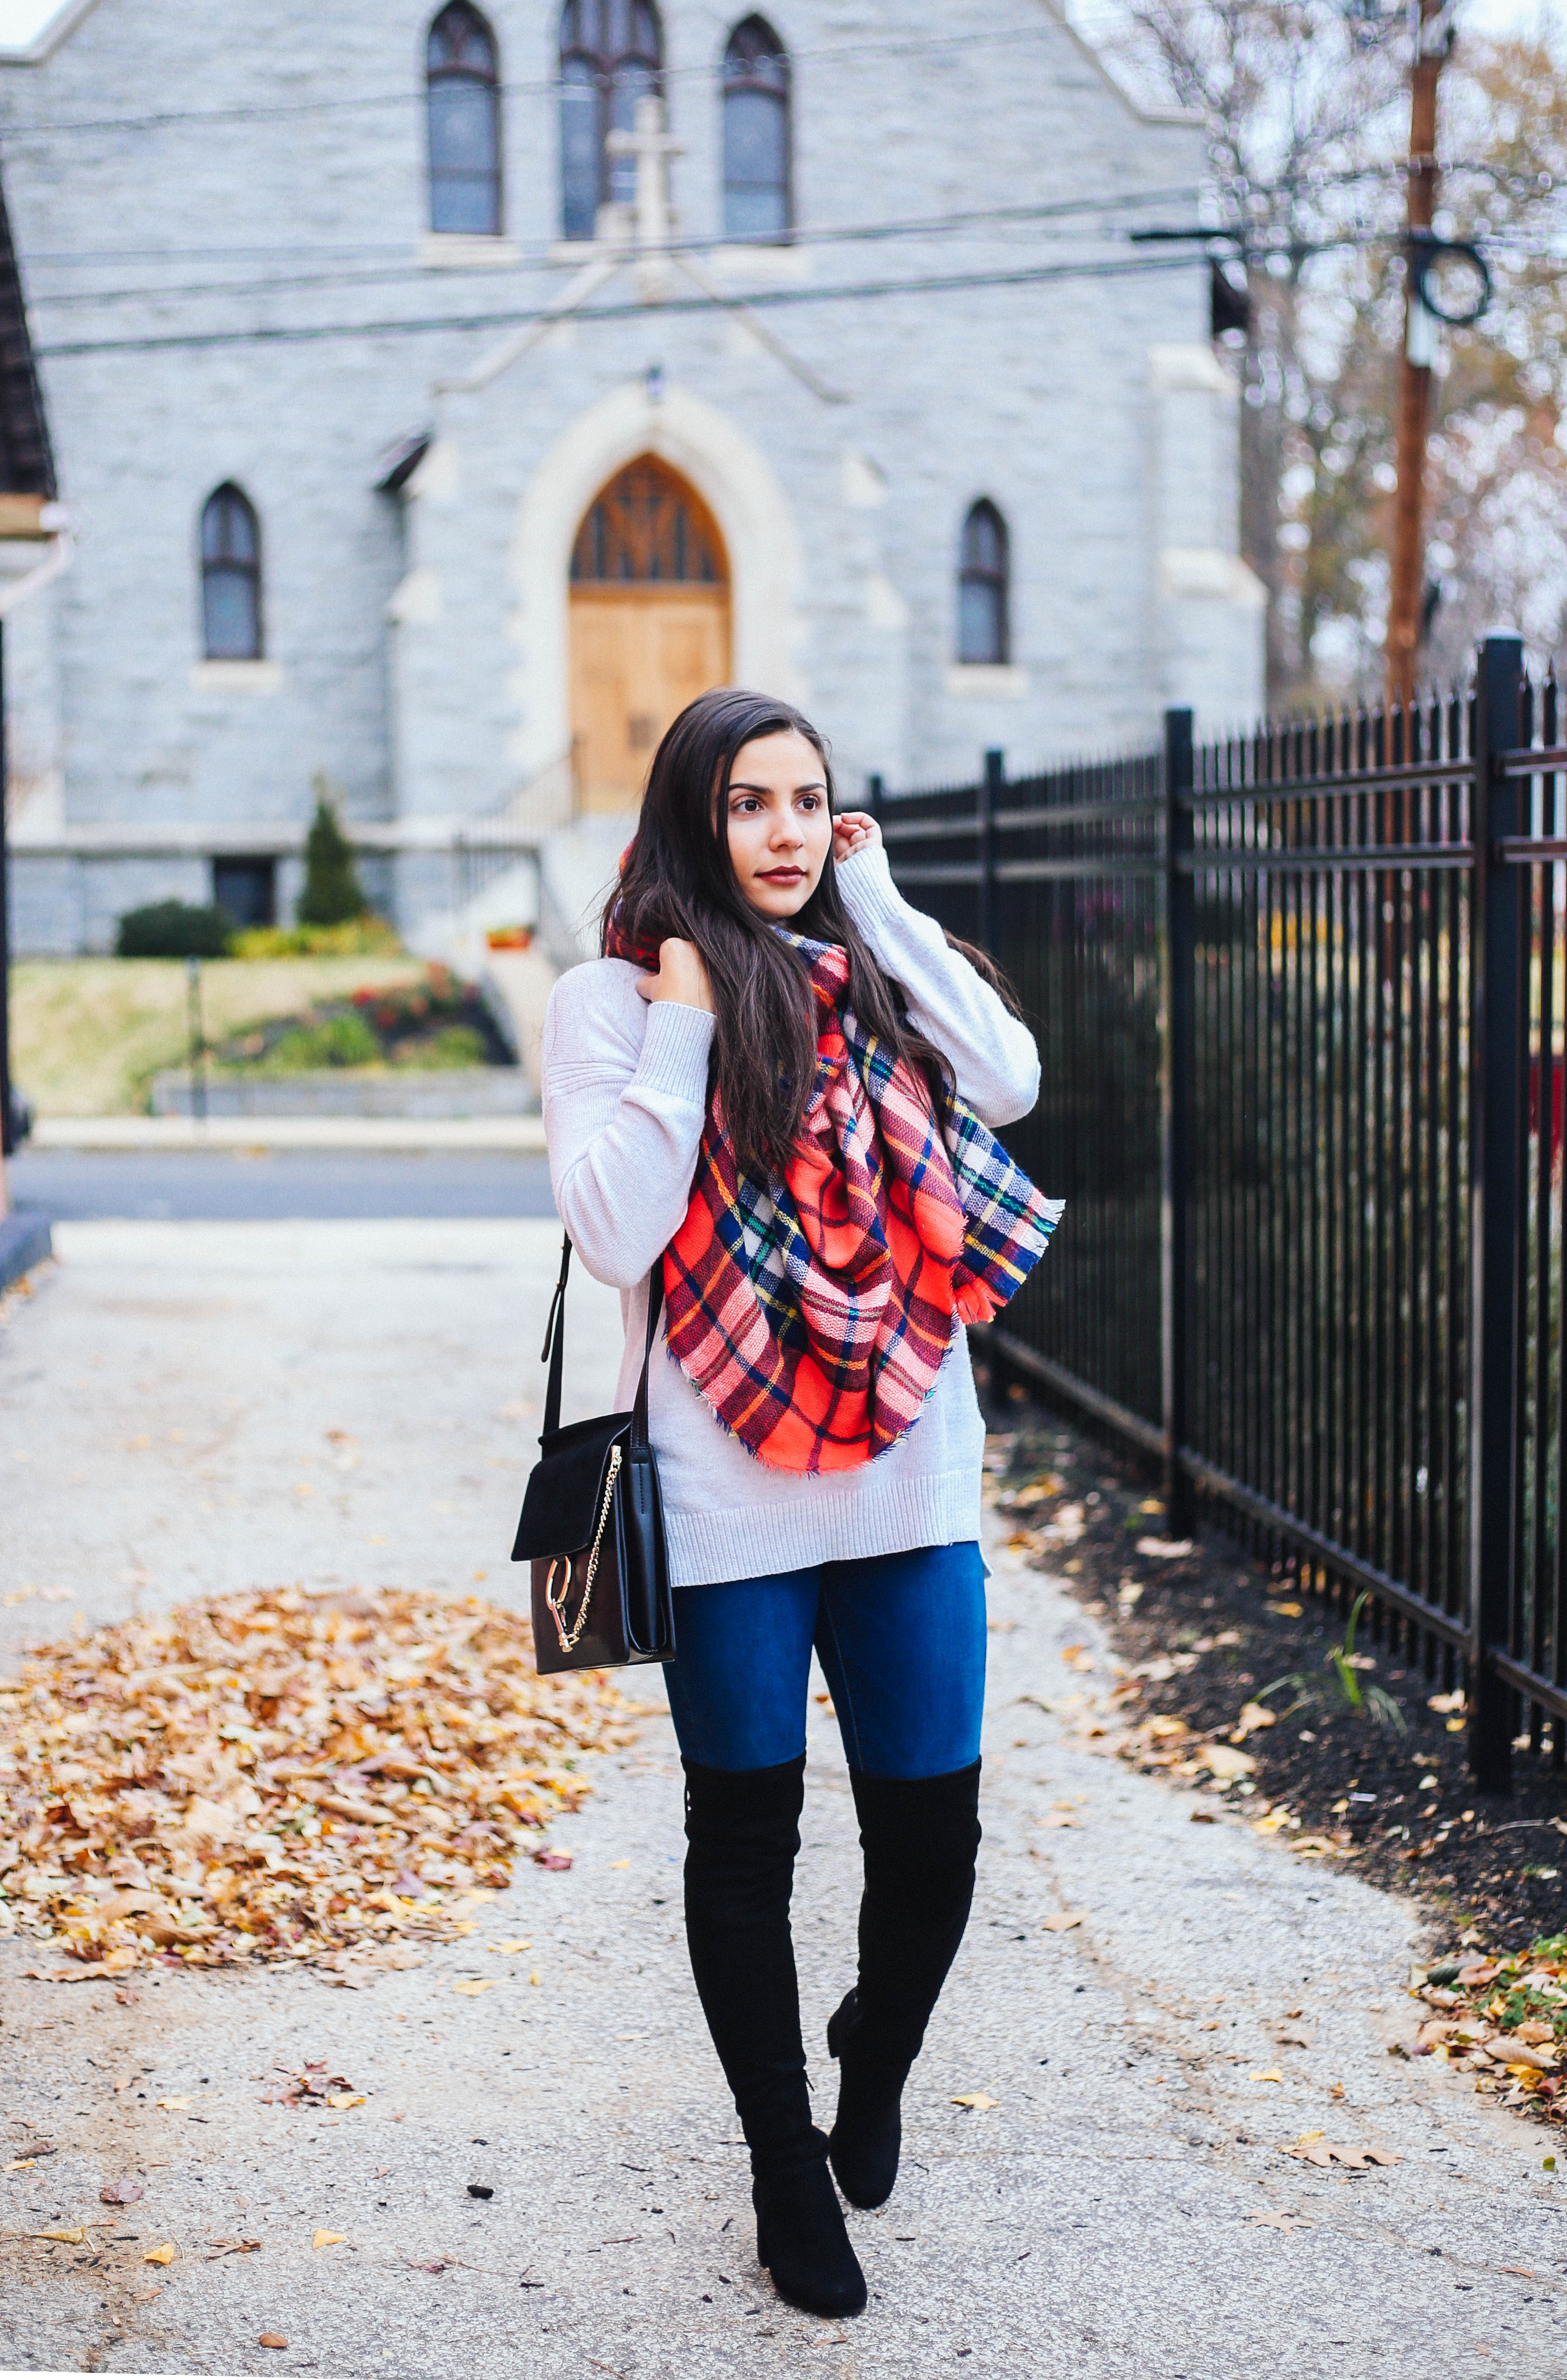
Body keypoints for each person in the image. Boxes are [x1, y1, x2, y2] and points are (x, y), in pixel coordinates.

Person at [541, 687, 1058, 2319]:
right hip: (723, 1497)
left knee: (936, 1846)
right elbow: (619, 1233)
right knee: (743, 1841)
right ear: (695, 817)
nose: (777, 834)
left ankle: (874, 2053)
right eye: (746, 804)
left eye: (804, 803)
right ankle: (783, 2165)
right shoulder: (611, 1003)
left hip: (908, 1479)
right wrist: (687, 1020)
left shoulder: (883, 973)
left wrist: (884, 902)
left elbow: (1016, 1081)